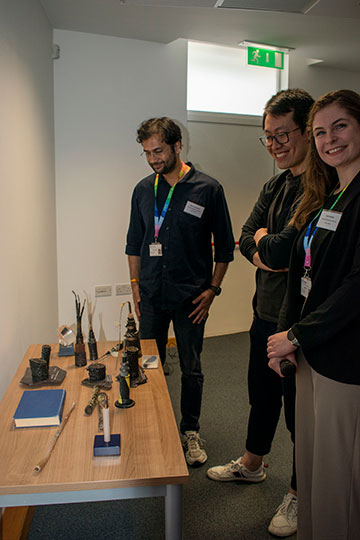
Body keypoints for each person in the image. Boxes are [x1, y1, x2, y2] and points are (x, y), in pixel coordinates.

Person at [207, 88, 314, 537]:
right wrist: (261, 247)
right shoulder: (276, 183)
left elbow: (280, 247)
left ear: (307, 130)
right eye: (267, 137)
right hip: (264, 312)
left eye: (282, 134)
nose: (274, 145)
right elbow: (247, 235)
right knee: (261, 394)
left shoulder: (321, 186)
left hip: (300, 321)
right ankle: (253, 463)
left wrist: (265, 245)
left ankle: (299, 493)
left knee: (299, 413)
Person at [267, 89, 360, 540]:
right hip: (311, 350)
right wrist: (290, 337)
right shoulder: (330, 196)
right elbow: (305, 275)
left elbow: (355, 288)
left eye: (339, 126)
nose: (330, 139)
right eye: (320, 131)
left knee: (339, 479)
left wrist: (296, 336)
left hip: (344, 357)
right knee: (314, 467)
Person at [126, 117, 235, 467]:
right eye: (146, 153)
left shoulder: (208, 189)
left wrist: (213, 289)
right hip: (152, 296)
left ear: (177, 146)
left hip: (191, 297)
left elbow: (225, 248)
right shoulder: (143, 190)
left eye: (158, 150)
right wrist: (134, 285)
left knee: (191, 367)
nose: (153, 159)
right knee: (147, 366)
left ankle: (190, 430)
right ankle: (151, 426)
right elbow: (133, 243)